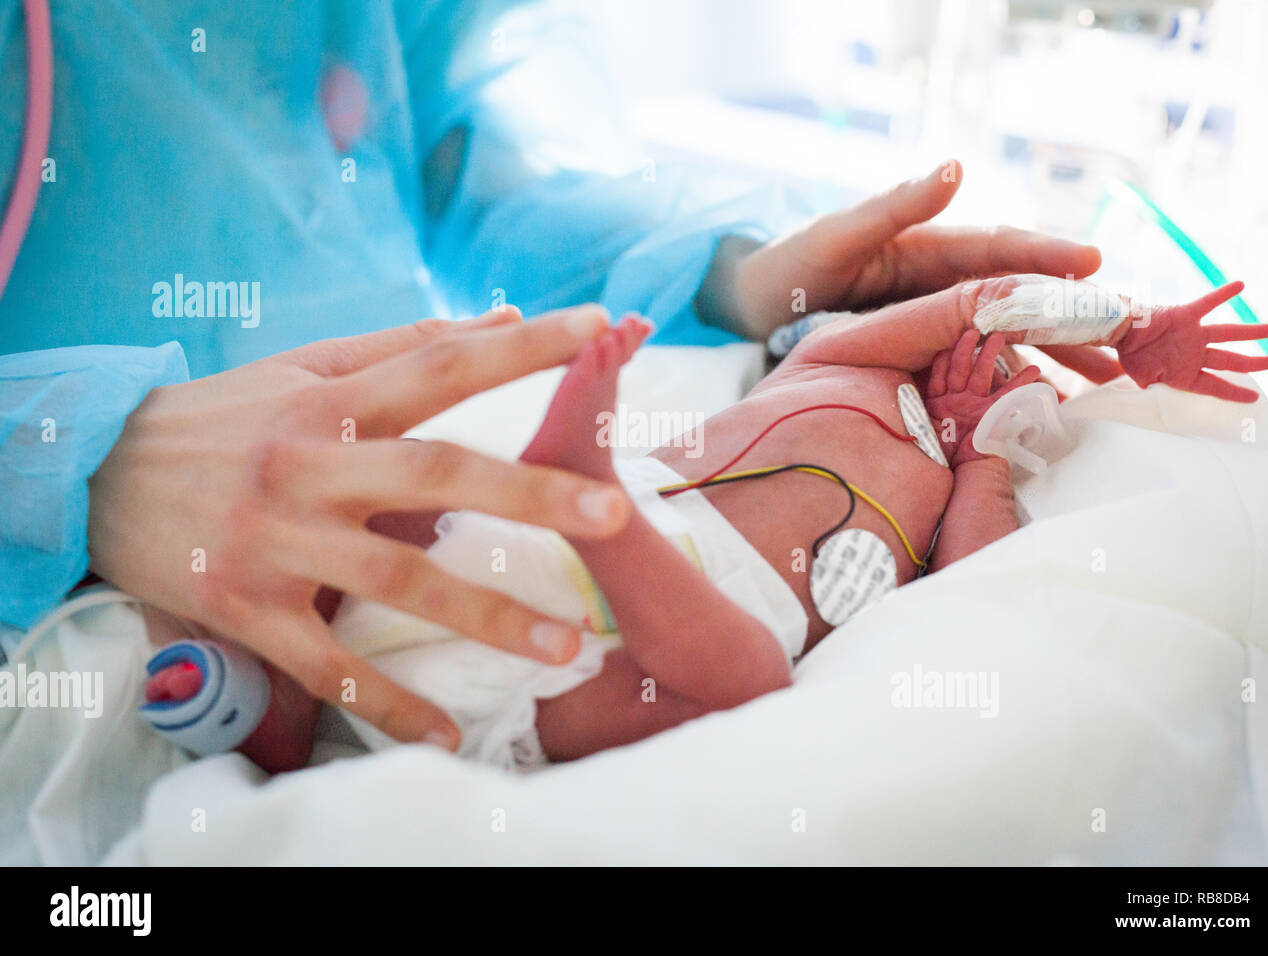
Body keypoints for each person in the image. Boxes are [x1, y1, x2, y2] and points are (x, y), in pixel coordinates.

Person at [0, 0, 1103, 749]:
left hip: (416, 461)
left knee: (445, 684)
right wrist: (78, 454)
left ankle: (249, 709)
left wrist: (740, 279)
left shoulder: (940, 445)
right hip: (76, 572)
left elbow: (470, 146)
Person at [136, 276, 1268, 770]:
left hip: (671, 627)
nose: (987, 366)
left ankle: (240, 712)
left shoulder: (959, 482)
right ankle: (268, 695)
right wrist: (1114, 320)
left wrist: (983, 457)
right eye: (969, 357)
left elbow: (967, 593)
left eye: (1003, 381)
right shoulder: (835, 361)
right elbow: (986, 300)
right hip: (546, 533)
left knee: (736, 680)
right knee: (373, 517)